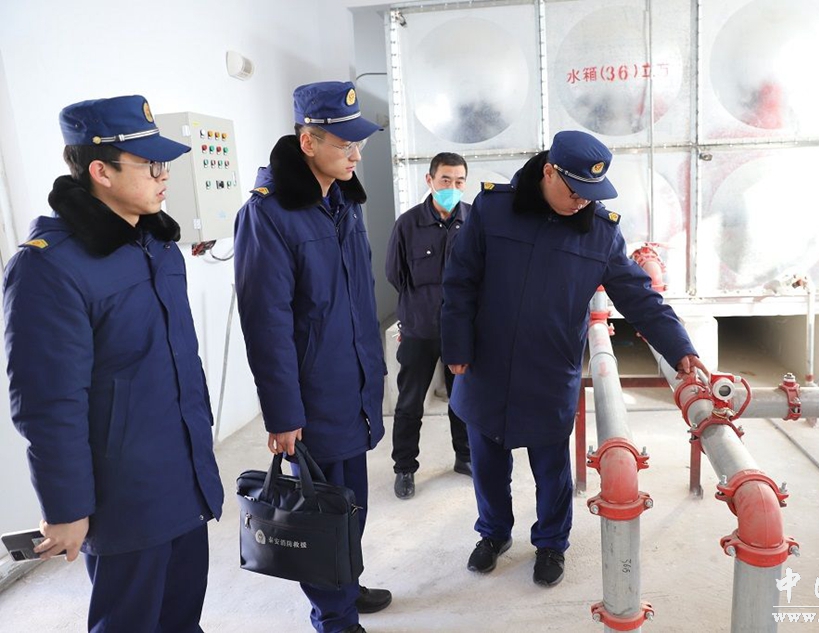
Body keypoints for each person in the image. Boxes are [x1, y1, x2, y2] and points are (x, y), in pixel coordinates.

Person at [441, 130, 708, 588]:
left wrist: (680, 347)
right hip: (486, 365)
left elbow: (639, 297)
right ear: (548, 172)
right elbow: (460, 279)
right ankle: (493, 533)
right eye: (575, 190)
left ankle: (551, 543)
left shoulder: (600, 232)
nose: (583, 201)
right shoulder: (493, 209)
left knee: (552, 470)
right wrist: (457, 346)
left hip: (548, 370)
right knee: (487, 463)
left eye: (592, 193)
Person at [3, 95, 225, 632]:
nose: (164, 176)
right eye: (150, 165)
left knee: (182, 618)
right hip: (125, 495)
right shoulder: (49, 267)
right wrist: (66, 508)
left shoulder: (156, 245)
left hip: (185, 477)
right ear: (100, 171)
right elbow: (49, 404)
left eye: (164, 164)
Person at [233, 80, 390, 633]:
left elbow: (357, 302)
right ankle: (335, 617)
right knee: (321, 508)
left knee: (350, 505)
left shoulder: (343, 203)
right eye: (344, 144)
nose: (356, 154)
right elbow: (266, 325)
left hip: (353, 389)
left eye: (358, 143)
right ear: (308, 142)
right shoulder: (269, 215)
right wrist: (282, 414)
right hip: (312, 399)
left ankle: (345, 581)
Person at [385, 152, 472, 500]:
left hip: (461, 331)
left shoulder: (474, 221)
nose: (452, 187)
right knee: (409, 404)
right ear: (430, 180)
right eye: (445, 180)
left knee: (463, 400)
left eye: (459, 181)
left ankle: (465, 457)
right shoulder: (407, 225)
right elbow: (395, 274)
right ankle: (404, 468)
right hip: (419, 329)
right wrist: (420, 306)